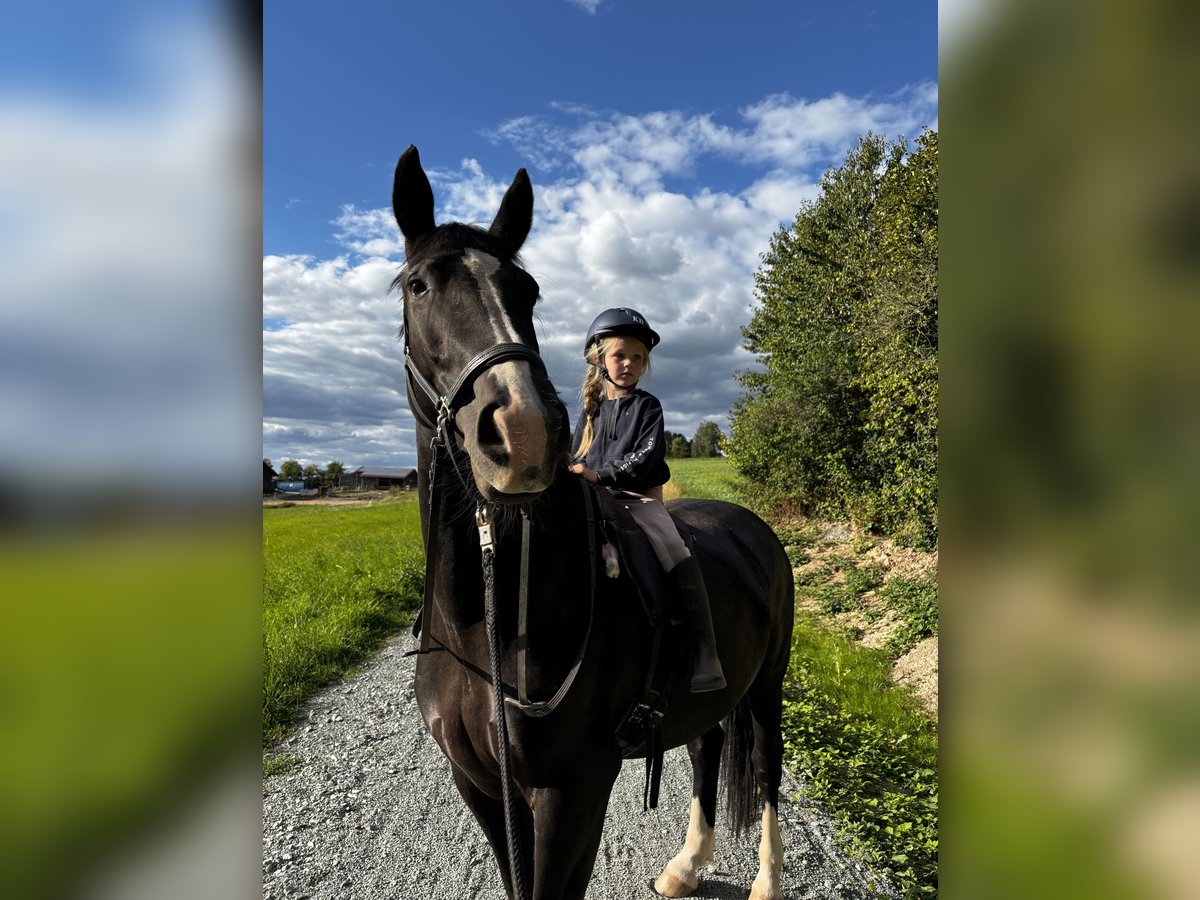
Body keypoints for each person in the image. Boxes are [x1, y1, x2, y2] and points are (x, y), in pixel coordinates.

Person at [568, 308, 726, 693]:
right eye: (620, 355)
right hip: (592, 498)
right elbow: (574, 456)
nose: (629, 364)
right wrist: (573, 472)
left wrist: (601, 474)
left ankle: (706, 651)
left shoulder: (648, 406)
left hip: (637, 498)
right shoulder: (589, 411)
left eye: (637, 358)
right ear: (599, 360)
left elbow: (646, 455)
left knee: (671, 544)